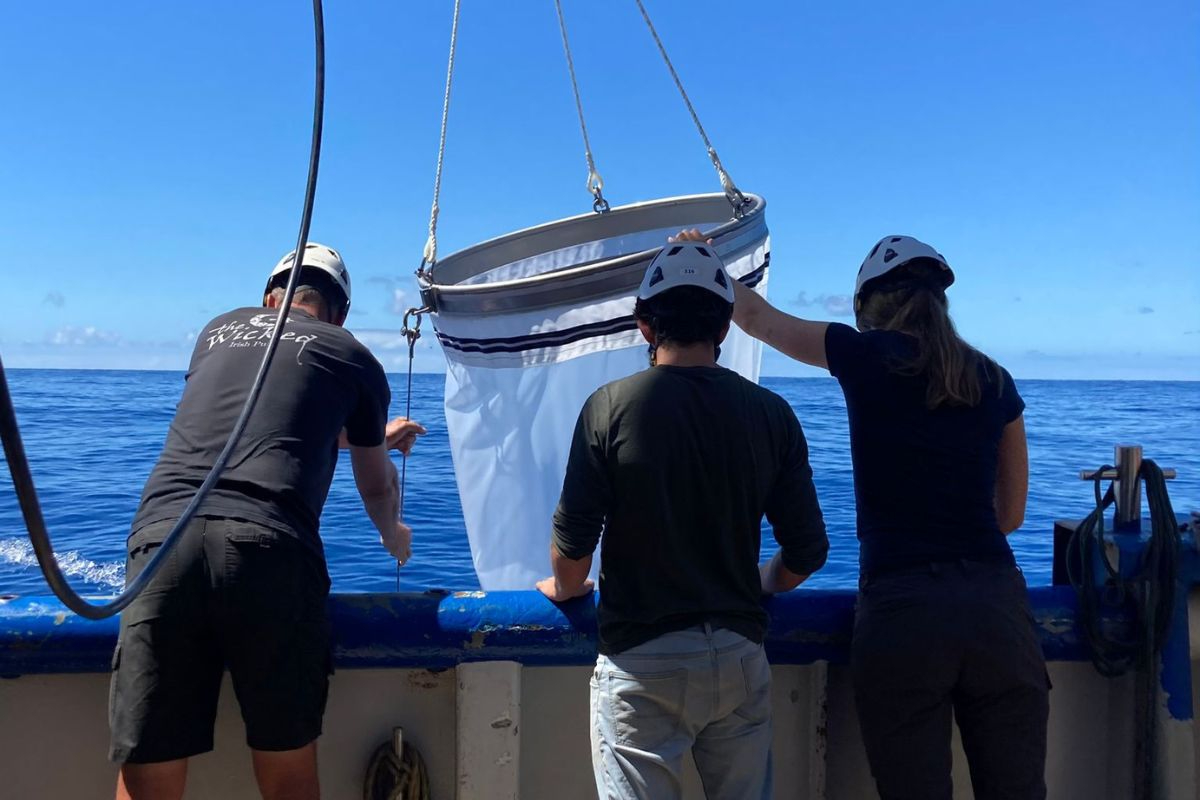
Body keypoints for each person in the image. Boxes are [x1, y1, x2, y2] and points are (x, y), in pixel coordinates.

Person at [696, 229, 1046, 800]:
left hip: (904, 609)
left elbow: (756, 319)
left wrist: (700, 259)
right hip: (997, 605)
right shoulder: (995, 379)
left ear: (865, 307)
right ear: (941, 301)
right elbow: (1010, 515)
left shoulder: (862, 354)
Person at [108, 242, 426, 800]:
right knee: (287, 778)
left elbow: (252, 416)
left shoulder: (217, 330)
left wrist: (356, 435)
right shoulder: (352, 355)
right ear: (341, 313)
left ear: (267, 297)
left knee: (149, 778)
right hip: (270, 549)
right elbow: (375, 485)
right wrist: (392, 535)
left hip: (164, 542)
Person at [537, 240, 829, 800]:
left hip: (642, 666)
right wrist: (761, 584)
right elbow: (808, 550)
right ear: (723, 329)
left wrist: (567, 586)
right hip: (740, 656)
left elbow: (573, 548)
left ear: (645, 326)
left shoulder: (608, 406)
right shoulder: (772, 414)